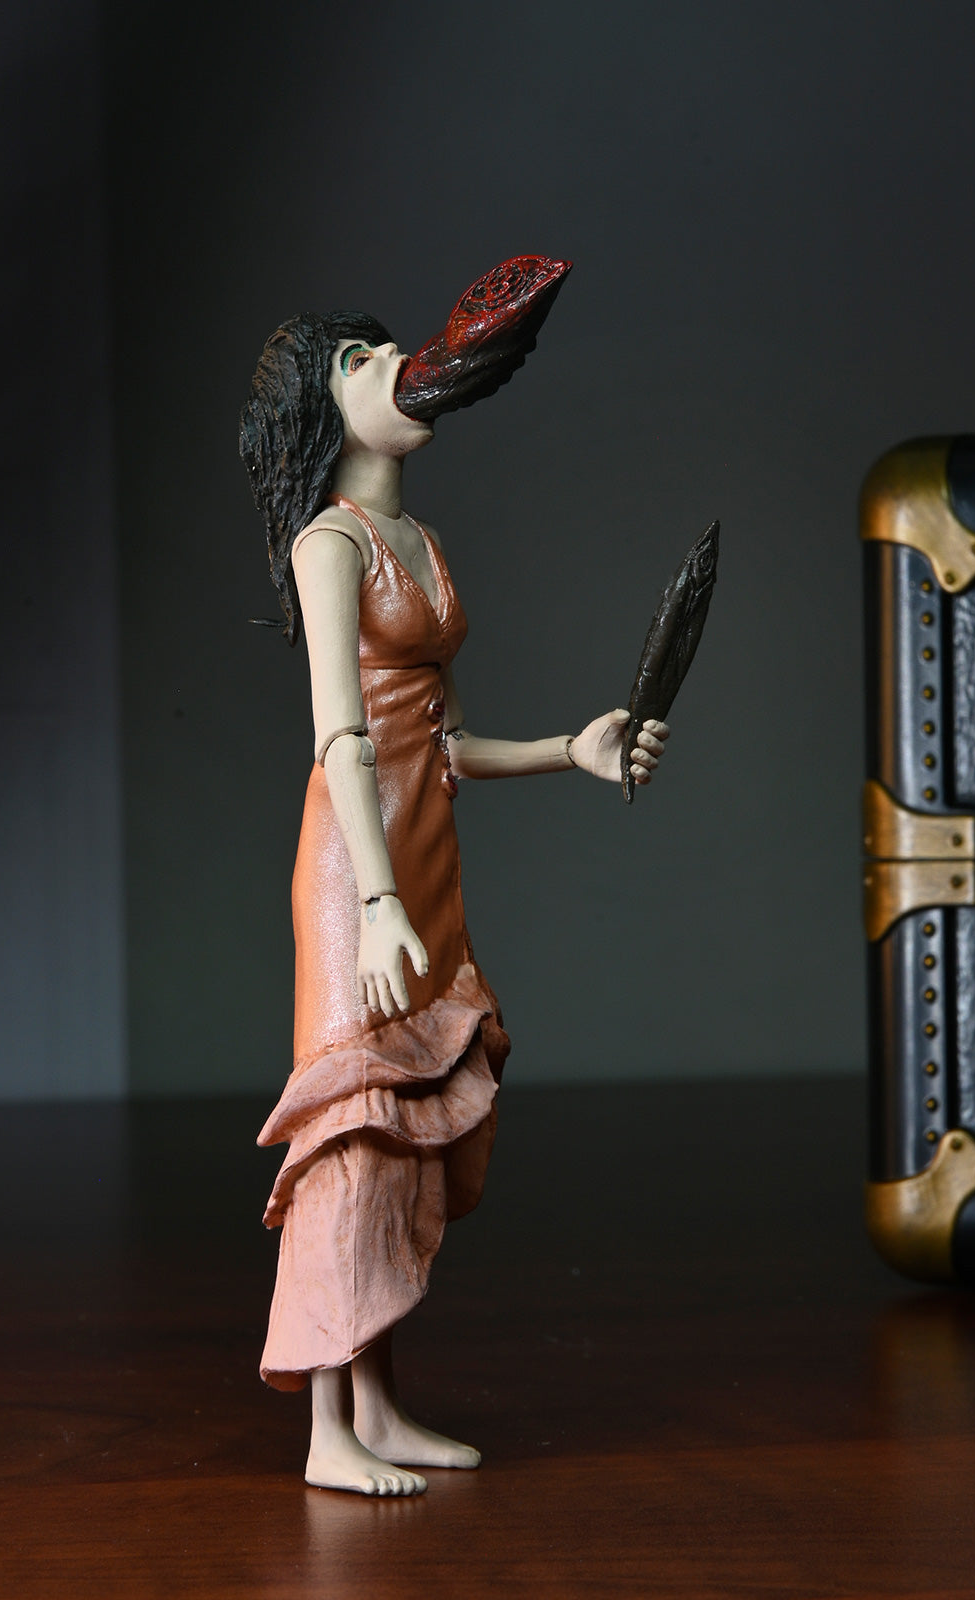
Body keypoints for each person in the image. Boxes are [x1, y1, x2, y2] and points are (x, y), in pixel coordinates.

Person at [239, 310, 669, 1496]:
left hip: (422, 853)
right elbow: (342, 738)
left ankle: (375, 1406)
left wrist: (571, 750)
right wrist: (377, 899)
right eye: (360, 361)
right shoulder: (331, 543)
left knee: (407, 1133)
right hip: (358, 866)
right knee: (354, 1129)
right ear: (324, 405)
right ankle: (326, 1428)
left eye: (390, 349)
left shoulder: (418, 541)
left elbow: (446, 743)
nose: (395, 366)